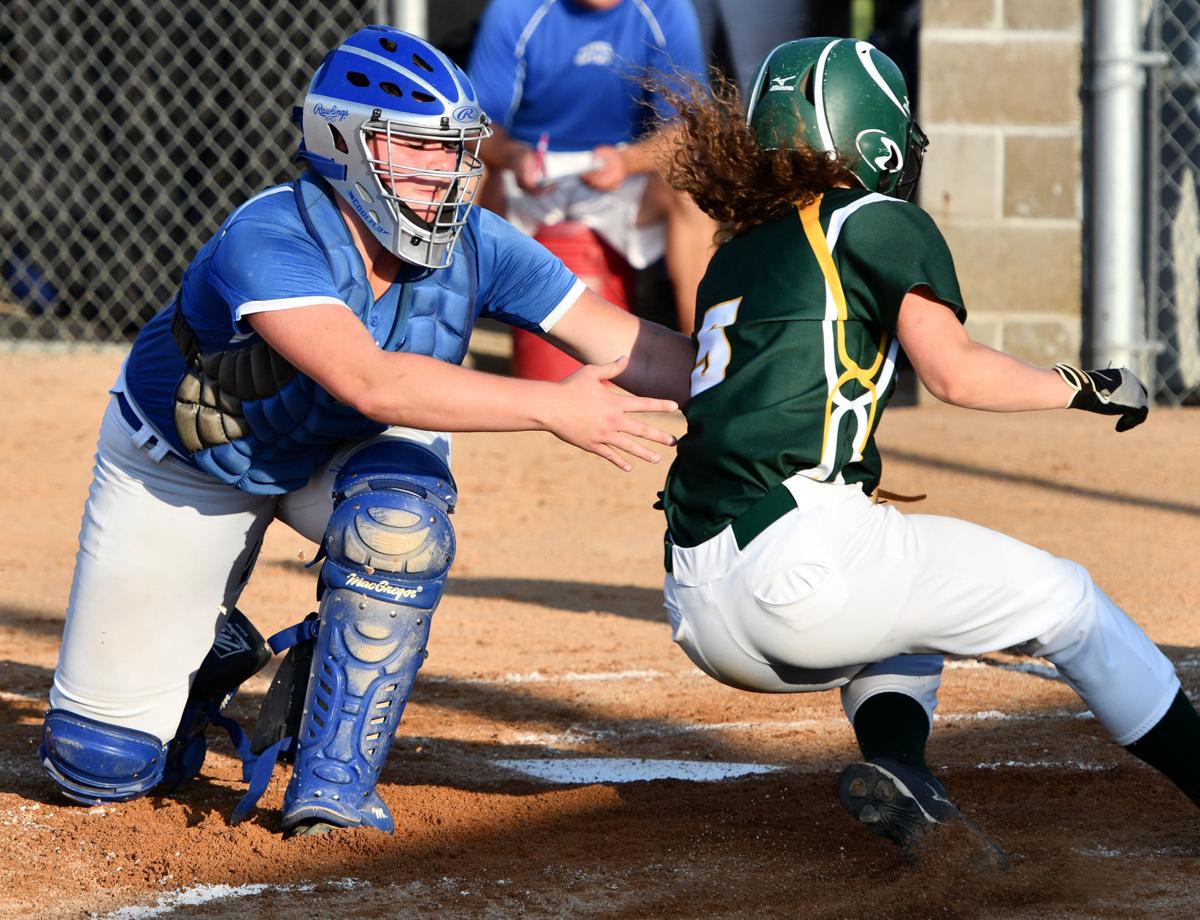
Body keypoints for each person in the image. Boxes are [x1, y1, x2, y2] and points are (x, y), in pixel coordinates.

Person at [37, 25, 694, 837]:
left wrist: (768, 370)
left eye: (456, 150)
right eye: (417, 150)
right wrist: (551, 405)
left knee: (397, 528)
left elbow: (637, 349)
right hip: (189, 462)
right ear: (345, 145)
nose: (451, 172)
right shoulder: (272, 234)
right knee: (101, 767)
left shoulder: (477, 241)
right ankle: (208, 653)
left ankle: (333, 781)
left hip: (339, 456)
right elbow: (368, 378)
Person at [656, 37, 1200, 865]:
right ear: (869, 134)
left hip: (699, 603)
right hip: (803, 569)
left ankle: (902, 770)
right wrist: (1082, 384)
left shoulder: (734, 254)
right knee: (1071, 603)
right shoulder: (872, 218)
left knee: (906, 606)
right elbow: (953, 372)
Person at [467, 0, 715, 337]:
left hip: (623, 173)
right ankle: (446, 335)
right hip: (528, 172)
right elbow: (473, 124)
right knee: (462, 169)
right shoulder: (515, 8)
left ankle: (704, 360)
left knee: (693, 188)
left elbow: (687, 128)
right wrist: (512, 155)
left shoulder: (665, 8)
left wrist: (627, 161)